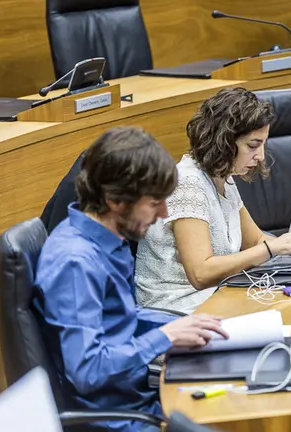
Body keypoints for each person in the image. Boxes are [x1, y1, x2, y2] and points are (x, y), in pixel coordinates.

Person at [34, 127, 229, 432]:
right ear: (114, 199)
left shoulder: (110, 240)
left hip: (140, 396)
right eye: (154, 202)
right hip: (120, 419)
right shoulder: (75, 262)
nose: (164, 213)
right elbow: (88, 369)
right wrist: (165, 337)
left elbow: (122, 319)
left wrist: (182, 325)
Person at [135, 88, 291, 314]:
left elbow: (255, 241)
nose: (261, 156)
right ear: (223, 141)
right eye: (253, 145)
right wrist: (272, 248)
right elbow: (200, 273)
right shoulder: (187, 184)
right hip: (177, 309)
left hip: (216, 295)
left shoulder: (223, 177)